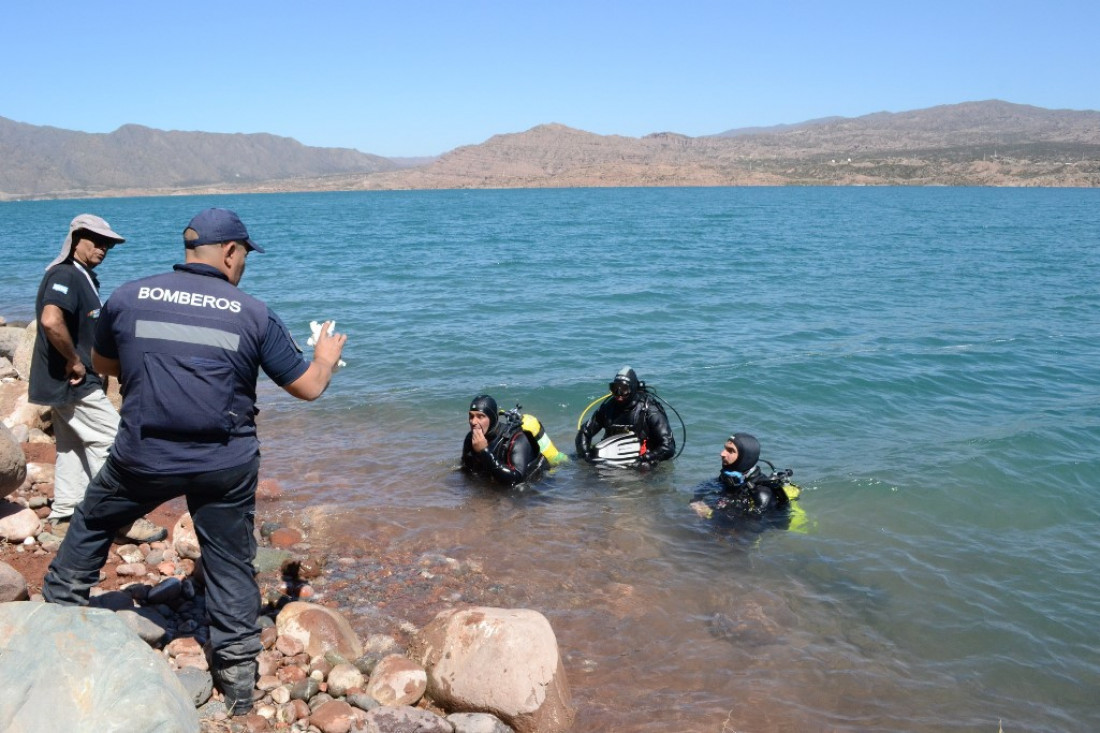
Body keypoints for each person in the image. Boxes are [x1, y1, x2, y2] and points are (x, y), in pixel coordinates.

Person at [42, 208, 348, 717]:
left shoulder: (128, 297)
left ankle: (56, 614)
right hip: (223, 463)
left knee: (93, 520)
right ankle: (239, 685)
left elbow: (104, 364)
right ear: (230, 252)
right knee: (229, 562)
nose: (245, 264)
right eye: (246, 254)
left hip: (143, 454)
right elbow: (309, 388)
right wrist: (325, 357)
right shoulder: (254, 314)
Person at [28, 214, 165, 543]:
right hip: (72, 380)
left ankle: (64, 515)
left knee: (72, 446)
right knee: (115, 441)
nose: (104, 248)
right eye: (97, 241)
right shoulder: (65, 274)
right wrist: (75, 361)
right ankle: (123, 518)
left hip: (67, 380)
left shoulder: (82, 275)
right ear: (76, 240)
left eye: (108, 244)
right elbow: (50, 320)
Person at [689, 432, 803, 527]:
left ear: (745, 457)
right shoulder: (728, 477)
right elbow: (703, 488)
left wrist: (710, 514)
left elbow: (749, 531)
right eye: (724, 448)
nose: (722, 453)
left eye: (730, 451)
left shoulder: (762, 494)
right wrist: (696, 501)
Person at [575, 366, 675, 468]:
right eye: (615, 388)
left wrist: (646, 458)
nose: (619, 394)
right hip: (611, 460)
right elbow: (584, 431)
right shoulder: (608, 408)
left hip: (641, 464)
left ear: (632, 388)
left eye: (624, 389)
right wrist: (586, 455)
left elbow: (668, 446)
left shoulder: (649, 410)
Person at [462, 394, 549, 486]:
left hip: (541, 485)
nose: (473, 422)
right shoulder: (470, 438)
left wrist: (484, 451)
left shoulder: (518, 439)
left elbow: (517, 479)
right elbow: (467, 469)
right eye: (471, 416)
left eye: (480, 416)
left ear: (492, 418)